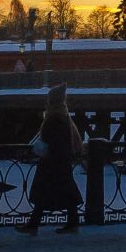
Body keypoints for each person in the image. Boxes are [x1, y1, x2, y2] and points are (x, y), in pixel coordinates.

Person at [18, 83, 83, 235]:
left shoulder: (54, 118)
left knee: (44, 193)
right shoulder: (64, 116)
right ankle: (71, 223)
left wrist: (45, 153)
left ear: (52, 100)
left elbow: (52, 140)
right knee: (65, 192)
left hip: (52, 162)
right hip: (61, 161)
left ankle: (34, 225)